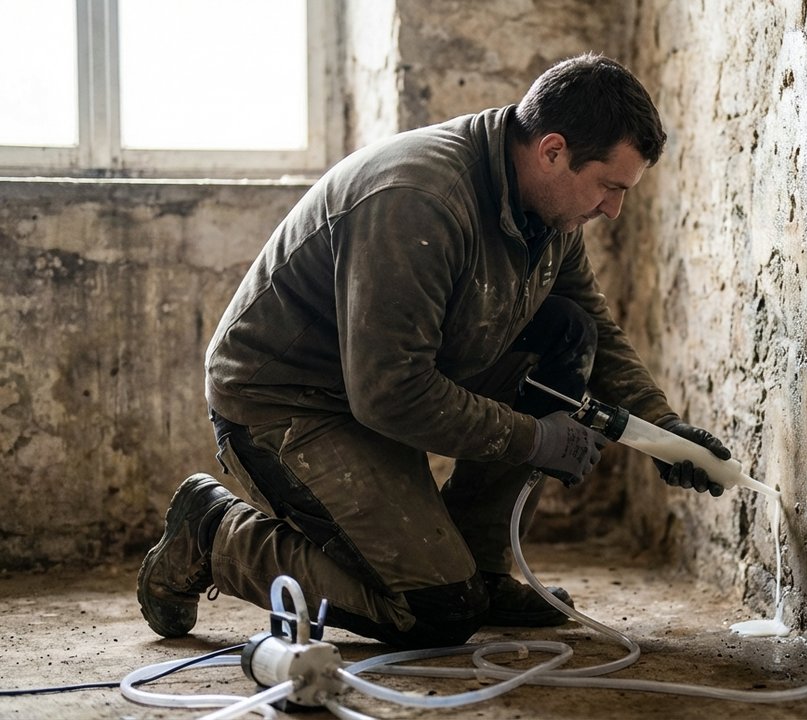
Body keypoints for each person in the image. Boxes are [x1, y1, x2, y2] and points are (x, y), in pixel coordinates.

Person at [136, 53, 733, 648]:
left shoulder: (550, 213)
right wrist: (537, 438)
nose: (613, 208)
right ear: (553, 151)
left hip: (377, 388)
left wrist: (663, 431)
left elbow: (593, 328)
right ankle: (215, 535)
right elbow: (391, 391)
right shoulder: (418, 200)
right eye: (609, 186)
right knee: (436, 612)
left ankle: (481, 563)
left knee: (567, 331)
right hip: (287, 404)